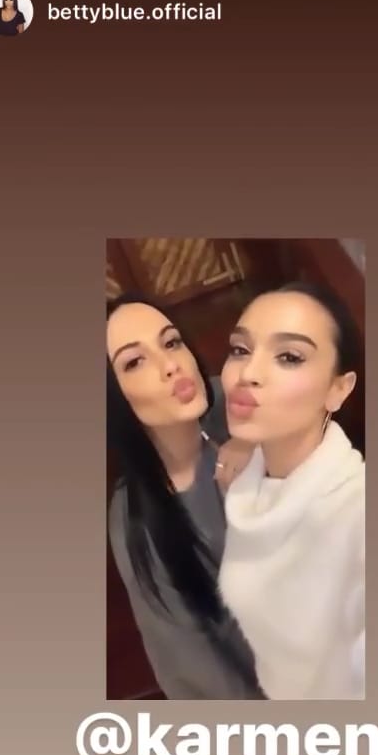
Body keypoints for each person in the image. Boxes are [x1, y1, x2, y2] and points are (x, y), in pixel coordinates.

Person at [107, 293, 263, 700]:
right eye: (134, 362)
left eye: (171, 342)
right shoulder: (136, 523)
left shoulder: (234, 405)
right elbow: (197, 676)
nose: (170, 365)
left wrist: (257, 443)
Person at [219, 282, 365, 700]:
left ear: (338, 389)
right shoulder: (248, 493)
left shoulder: (357, 512)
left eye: (289, 357)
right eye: (240, 350)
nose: (248, 373)